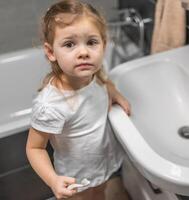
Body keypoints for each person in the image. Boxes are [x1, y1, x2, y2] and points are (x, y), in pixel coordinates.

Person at [26, 0, 131, 199]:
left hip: (101, 162)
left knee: (100, 192)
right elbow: (35, 148)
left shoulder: (94, 72)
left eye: (92, 42)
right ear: (50, 52)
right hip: (73, 176)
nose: (84, 52)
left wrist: (115, 92)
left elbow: (104, 82)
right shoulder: (51, 105)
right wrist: (53, 180)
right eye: (69, 44)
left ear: (104, 45)